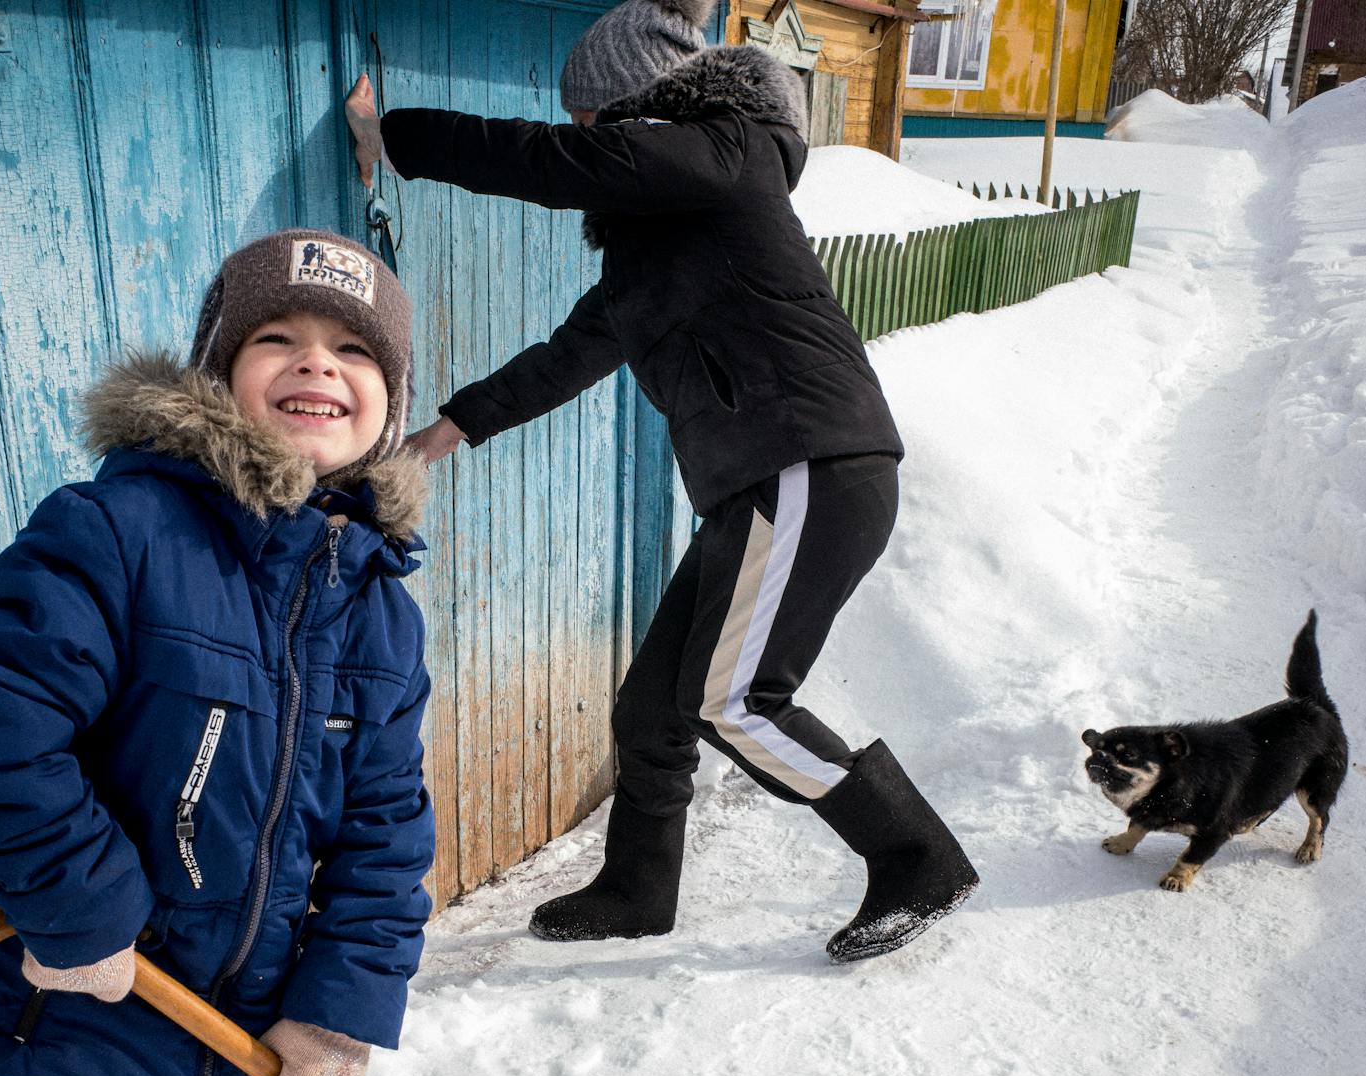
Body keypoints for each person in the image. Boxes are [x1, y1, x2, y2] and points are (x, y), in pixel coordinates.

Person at [344, 0, 977, 962]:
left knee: (738, 701)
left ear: (635, 107)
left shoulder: (723, 153)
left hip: (809, 465)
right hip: (758, 485)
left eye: (595, 122)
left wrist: (391, 136)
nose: (591, 142)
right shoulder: (675, 235)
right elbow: (575, 351)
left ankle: (916, 856)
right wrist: (452, 428)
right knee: (657, 705)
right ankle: (640, 887)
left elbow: (548, 163)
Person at [0, 229, 434, 1076]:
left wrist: (336, 1015)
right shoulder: (122, 532)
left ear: (392, 402)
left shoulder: (379, 614)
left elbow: (385, 833)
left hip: (238, 1022)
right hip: (96, 998)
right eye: (277, 336)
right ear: (217, 375)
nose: (318, 363)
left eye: (355, 350)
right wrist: (77, 901)